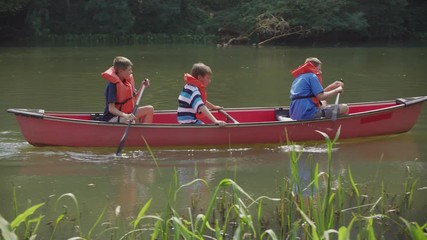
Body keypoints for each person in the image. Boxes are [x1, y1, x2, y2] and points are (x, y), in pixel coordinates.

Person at [101, 56, 154, 123]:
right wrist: (126, 115)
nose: (131, 72)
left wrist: (142, 87)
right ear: (121, 71)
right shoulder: (112, 85)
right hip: (111, 118)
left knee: (149, 109)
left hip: (127, 114)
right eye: (129, 70)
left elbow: (134, 99)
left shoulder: (127, 82)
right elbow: (111, 109)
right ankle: (136, 132)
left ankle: (145, 133)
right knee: (130, 120)